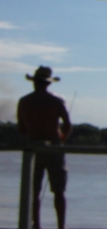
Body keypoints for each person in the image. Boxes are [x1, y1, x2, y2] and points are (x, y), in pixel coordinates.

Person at [17, 66, 72, 229]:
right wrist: (62, 138)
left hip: (33, 147)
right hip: (54, 147)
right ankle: (60, 226)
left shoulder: (24, 101)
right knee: (59, 191)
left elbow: (22, 129)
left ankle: (35, 225)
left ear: (34, 82)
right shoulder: (56, 101)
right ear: (48, 84)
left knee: (33, 192)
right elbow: (67, 125)